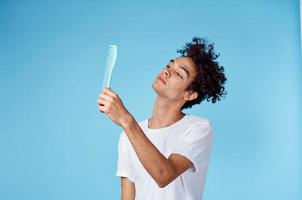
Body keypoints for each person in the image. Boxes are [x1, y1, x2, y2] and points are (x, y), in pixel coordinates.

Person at [97, 37, 227, 200]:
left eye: (179, 74)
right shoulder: (128, 135)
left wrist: (126, 120)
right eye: (169, 65)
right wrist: (128, 125)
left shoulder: (198, 128)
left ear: (190, 94)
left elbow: (164, 175)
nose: (167, 71)